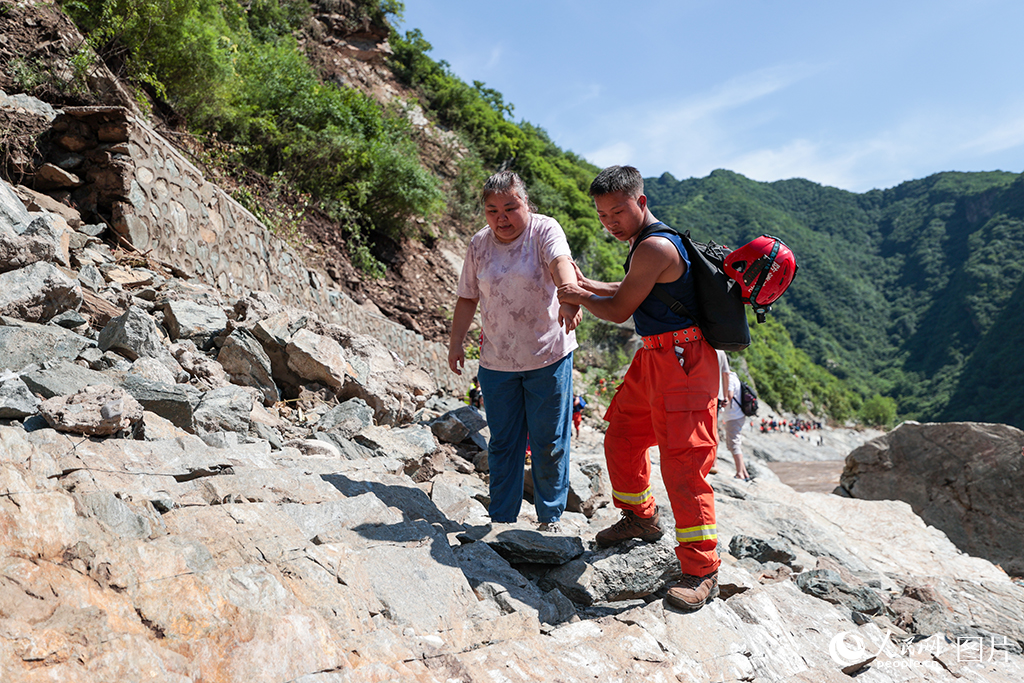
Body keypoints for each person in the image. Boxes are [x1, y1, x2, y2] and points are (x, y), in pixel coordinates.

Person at [557, 165, 720, 611]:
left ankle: (702, 570)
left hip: (683, 361)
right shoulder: (645, 245)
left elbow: (620, 308)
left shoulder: (653, 246)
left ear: (641, 203)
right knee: (623, 437)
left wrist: (575, 295)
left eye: (618, 211)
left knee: (684, 466)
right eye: (602, 214)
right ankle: (640, 518)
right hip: (654, 357)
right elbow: (633, 290)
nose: (610, 222)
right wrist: (587, 285)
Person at [448, 170, 581, 532]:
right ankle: (501, 518)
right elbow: (467, 297)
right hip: (496, 361)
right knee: (503, 442)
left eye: (510, 207)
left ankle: (550, 517)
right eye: (492, 211)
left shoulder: (544, 230)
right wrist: (456, 342)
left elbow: (561, 264)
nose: (501, 218)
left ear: (526, 204)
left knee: (549, 440)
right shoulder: (479, 244)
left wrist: (569, 296)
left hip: (548, 356)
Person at [721, 370, 751, 481]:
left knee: (733, 444)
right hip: (736, 415)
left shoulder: (729, 378)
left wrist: (722, 400)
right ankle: (744, 472)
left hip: (734, 415)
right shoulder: (734, 376)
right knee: (734, 443)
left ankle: (740, 473)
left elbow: (729, 395)